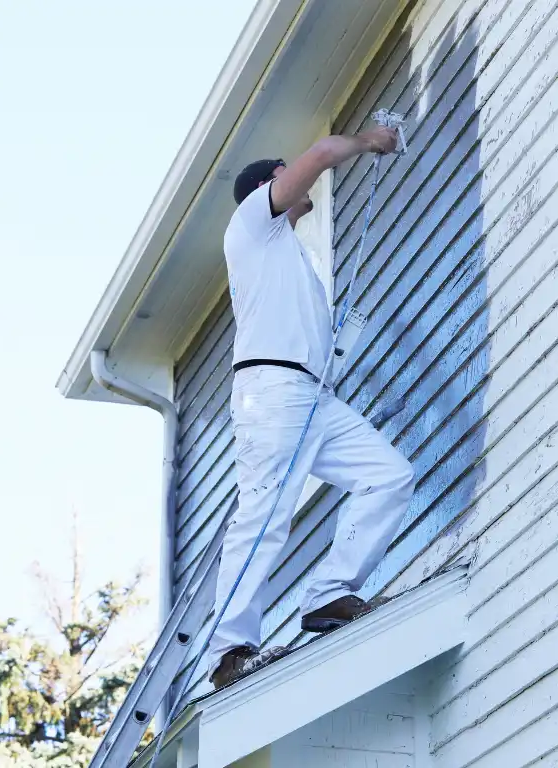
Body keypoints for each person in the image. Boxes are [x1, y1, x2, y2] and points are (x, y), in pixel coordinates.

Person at [207, 125, 415, 690]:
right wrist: (373, 141)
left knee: (388, 475)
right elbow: (322, 154)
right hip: (271, 391)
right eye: (283, 168)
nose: (293, 173)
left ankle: (328, 594)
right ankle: (230, 650)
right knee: (265, 515)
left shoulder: (291, 258)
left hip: (314, 399)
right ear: (268, 186)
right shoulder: (251, 226)